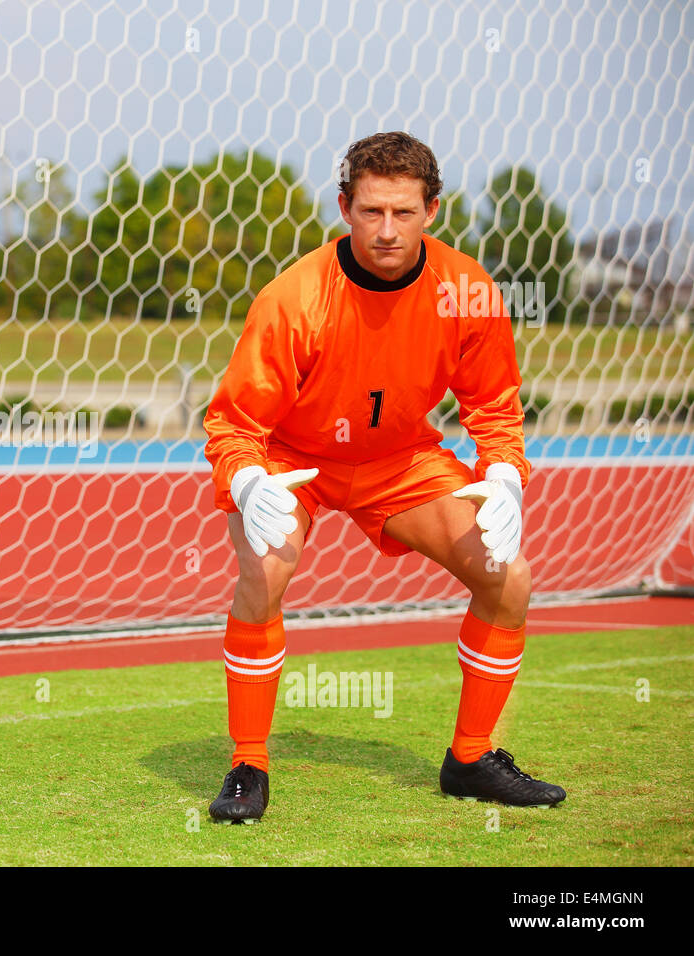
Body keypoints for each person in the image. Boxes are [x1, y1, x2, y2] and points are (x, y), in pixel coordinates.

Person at [202, 131, 566, 823]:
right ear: (344, 207)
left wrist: (506, 474)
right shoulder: (295, 297)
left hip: (400, 459)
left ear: (433, 209)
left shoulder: (467, 290)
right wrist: (248, 482)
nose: (387, 230)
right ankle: (249, 764)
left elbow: (493, 406)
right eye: (371, 211)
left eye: (403, 212)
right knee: (263, 575)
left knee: (507, 574)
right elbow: (234, 421)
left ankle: (471, 759)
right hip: (292, 459)